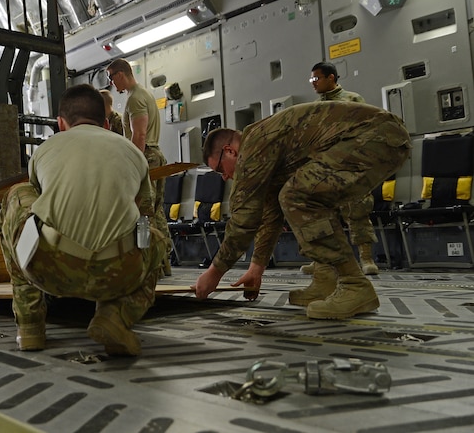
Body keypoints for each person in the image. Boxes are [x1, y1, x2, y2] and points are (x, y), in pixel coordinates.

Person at [192, 101, 411, 319]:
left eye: (220, 169)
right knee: (306, 196)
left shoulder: (253, 148)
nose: (225, 177)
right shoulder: (262, 146)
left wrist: (214, 273)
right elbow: (271, 214)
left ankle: (354, 285)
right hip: (380, 136)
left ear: (230, 151)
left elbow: (244, 219)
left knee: (296, 196)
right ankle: (326, 281)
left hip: (374, 136)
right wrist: (256, 269)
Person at [0, 84, 164, 356]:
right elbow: (145, 216)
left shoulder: (44, 150)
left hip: (49, 270)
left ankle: (30, 326)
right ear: (107, 123)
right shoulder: (135, 154)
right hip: (117, 273)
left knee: (18, 195)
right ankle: (115, 316)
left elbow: (33, 220)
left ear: (61, 123)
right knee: (153, 235)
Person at [303, 62, 380, 283]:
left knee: (357, 211)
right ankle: (324, 261)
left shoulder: (352, 100)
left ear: (331, 78)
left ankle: (366, 259)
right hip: (325, 168)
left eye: (316, 78)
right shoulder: (314, 108)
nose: (313, 83)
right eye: (311, 79)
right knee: (323, 216)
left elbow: (368, 128)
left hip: (351, 165)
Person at [106, 58, 172, 276]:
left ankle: (152, 265)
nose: (111, 82)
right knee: (156, 211)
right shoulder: (142, 94)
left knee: (145, 211)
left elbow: (139, 134)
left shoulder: (135, 99)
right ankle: (163, 263)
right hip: (153, 155)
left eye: (111, 77)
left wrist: (133, 164)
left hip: (146, 157)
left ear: (121, 74)